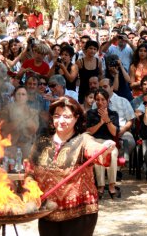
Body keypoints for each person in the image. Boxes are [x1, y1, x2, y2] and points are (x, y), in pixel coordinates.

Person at [26, 96, 114, 236]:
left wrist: (105, 147)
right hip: (47, 212)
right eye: (57, 116)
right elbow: (29, 169)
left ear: (76, 118)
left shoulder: (83, 140)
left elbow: (96, 151)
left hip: (79, 214)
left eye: (66, 117)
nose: (61, 121)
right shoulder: (42, 141)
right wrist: (31, 188)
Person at [86, 88, 120, 199]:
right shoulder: (91, 113)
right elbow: (89, 131)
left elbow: (114, 132)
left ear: (107, 100)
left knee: (113, 154)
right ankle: (100, 185)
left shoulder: (113, 114)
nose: (100, 102)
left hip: (109, 142)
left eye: (103, 100)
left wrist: (107, 120)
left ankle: (111, 185)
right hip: (94, 142)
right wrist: (101, 122)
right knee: (98, 153)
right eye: (97, 100)